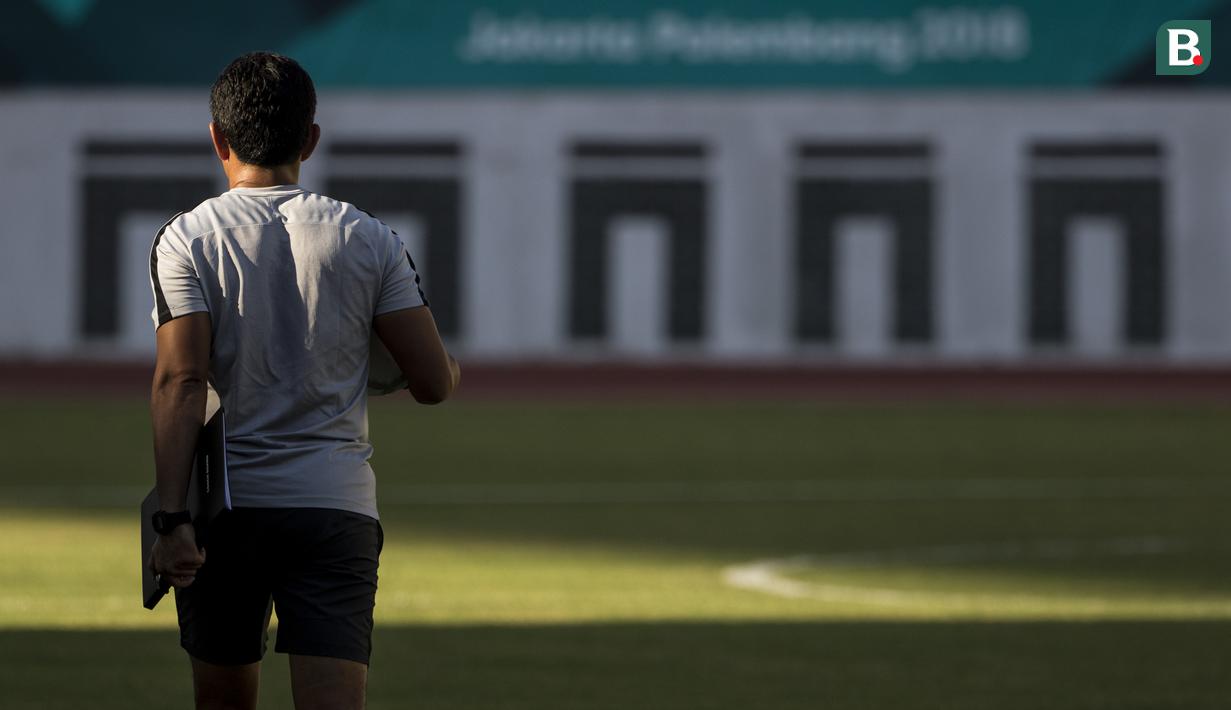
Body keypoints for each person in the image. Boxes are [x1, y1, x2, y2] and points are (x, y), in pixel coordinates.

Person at [146, 51, 460, 710]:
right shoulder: (369, 237)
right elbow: (433, 382)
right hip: (334, 505)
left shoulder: (185, 239)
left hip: (225, 508)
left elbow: (181, 381)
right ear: (310, 139)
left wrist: (171, 519)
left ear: (218, 138)